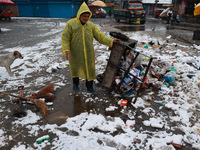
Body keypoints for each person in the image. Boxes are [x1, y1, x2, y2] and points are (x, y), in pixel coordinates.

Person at [61, 2, 119, 93]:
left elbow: (100, 36)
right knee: (76, 68)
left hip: (88, 53)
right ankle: (75, 84)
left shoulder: (91, 26)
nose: (86, 18)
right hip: (75, 52)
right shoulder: (71, 24)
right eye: (84, 16)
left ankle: (89, 86)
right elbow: (65, 37)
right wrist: (66, 49)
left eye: (88, 16)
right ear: (80, 15)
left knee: (90, 69)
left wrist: (111, 41)